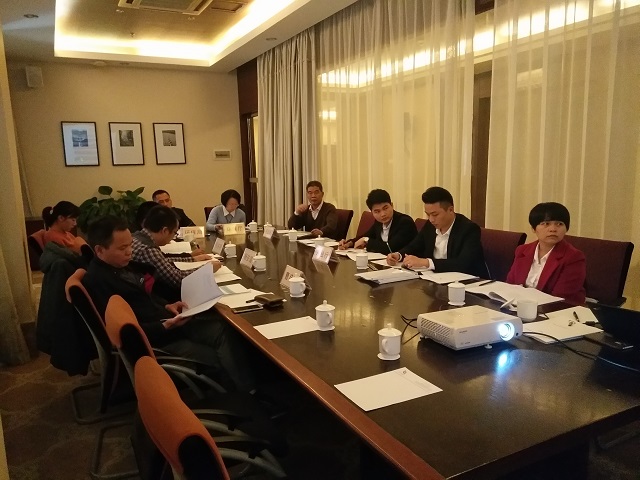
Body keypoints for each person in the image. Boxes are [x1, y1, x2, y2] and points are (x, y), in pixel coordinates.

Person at [83, 216, 256, 392]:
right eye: (122, 248)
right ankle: (243, 396)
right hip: (158, 341)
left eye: (130, 245)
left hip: (167, 322)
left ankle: (248, 386)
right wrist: (165, 326)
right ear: (100, 250)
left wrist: (167, 305)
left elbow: (145, 297)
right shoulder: (99, 281)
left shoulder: (117, 266)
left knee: (223, 329)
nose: (129, 252)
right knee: (224, 354)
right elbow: (123, 330)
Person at [386, 186, 488, 278]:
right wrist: (398, 255)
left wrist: (426, 262)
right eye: (428, 214)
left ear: (450, 210)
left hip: (467, 283)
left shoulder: (469, 229)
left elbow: (463, 263)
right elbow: (415, 246)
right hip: (435, 279)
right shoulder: (430, 225)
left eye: (435, 214)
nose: (431, 219)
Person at [131, 205, 219, 301]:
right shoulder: (148, 250)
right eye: (174, 232)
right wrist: (207, 269)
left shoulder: (137, 237)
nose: (174, 236)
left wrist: (192, 258)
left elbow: (162, 260)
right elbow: (178, 279)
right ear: (164, 230)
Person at [506, 202, 586, 305]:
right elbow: (511, 285)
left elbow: (561, 298)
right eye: (546, 224)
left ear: (566, 228)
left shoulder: (574, 257)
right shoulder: (522, 250)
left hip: (558, 309)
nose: (553, 229)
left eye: (559, 224)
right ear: (533, 228)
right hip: (521, 307)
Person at [338, 189, 417, 254]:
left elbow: (390, 248)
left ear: (392, 205)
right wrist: (349, 243)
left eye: (385, 208)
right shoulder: (379, 222)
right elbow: (366, 235)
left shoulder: (405, 222)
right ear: (372, 212)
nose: (383, 214)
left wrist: (367, 241)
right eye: (377, 211)